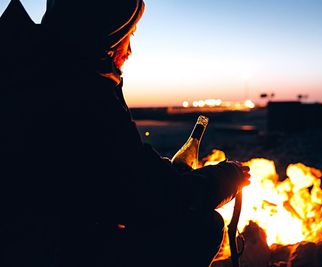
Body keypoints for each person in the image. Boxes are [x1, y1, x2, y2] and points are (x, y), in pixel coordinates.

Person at [0, 0, 250, 266]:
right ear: (105, 32)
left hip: (34, 234)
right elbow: (148, 195)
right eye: (127, 35)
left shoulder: (28, 64)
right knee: (200, 226)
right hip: (42, 248)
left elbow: (116, 170)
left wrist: (159, 173)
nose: (130, 51)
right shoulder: (78, 91)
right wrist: (224, 178)